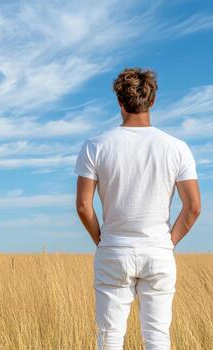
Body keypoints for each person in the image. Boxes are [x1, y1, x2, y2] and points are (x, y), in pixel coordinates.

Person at [74, 67, 202, 350]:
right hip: (158, 250)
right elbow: (192, 207)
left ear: (119, 102)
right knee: (157, 338)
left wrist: (102, 240)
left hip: (114, 249)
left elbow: (84, 206)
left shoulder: (95, 146)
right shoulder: (177, 148)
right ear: (152, 101)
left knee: (109, 338)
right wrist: (169, 242)